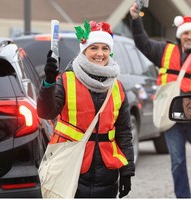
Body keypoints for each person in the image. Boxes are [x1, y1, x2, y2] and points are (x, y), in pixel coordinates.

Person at [37, 19, 135, 198]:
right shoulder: (66, 80)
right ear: (84, 50)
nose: (100, 54)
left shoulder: (117, 86)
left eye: (105, 48)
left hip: (107, 171)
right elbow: (46, 112)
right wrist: (49, 82)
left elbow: (124, 132)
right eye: (94, 48)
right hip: (70, 164)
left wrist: (127, 171)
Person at [129, 3, 191, 198]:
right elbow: (142, 42)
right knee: (177, 162)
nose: (189, 37)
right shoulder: (164, 51)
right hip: (171, 117)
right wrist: (136, 19)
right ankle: (183, 197)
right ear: (180, 34)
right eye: (186, 33)